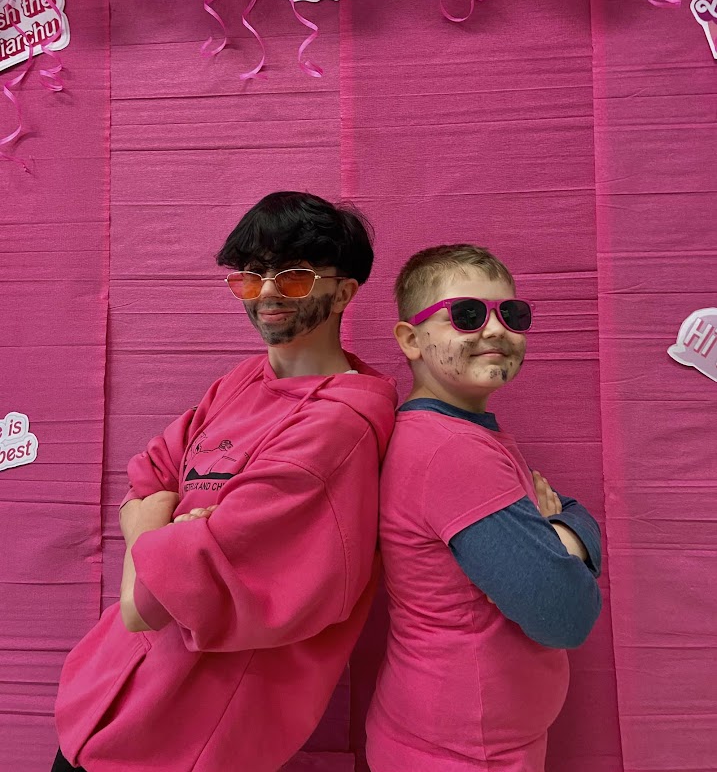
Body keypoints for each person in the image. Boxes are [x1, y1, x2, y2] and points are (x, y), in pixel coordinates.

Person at [52, 192, 397, 772]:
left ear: (344, 292)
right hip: (100, 699)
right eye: (251, 276)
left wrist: (149, 528)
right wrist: (167, 536)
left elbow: (148, 604)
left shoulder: (339, 429)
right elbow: (148, 475)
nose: (266, 294)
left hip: (184, 738)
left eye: (292, 277)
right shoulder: (242, 380)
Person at [365, 244, 602, 772]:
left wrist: (562, 530)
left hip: (472, 739)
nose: (496, 330)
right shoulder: (453, 452)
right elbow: (564, 615)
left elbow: (569, 511)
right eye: (467, 315)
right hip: (460, 750)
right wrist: (559, 536)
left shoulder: (464, 436)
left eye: (511, 314)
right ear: (411, 340)